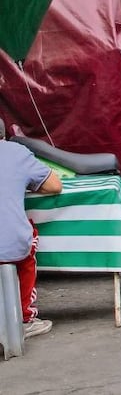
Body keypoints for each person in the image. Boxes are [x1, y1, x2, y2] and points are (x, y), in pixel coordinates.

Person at [0, 119, 63, 339]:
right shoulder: (16, 152)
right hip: (10, 247)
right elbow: (55, 186)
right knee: (28, 240)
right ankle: (25, 319)